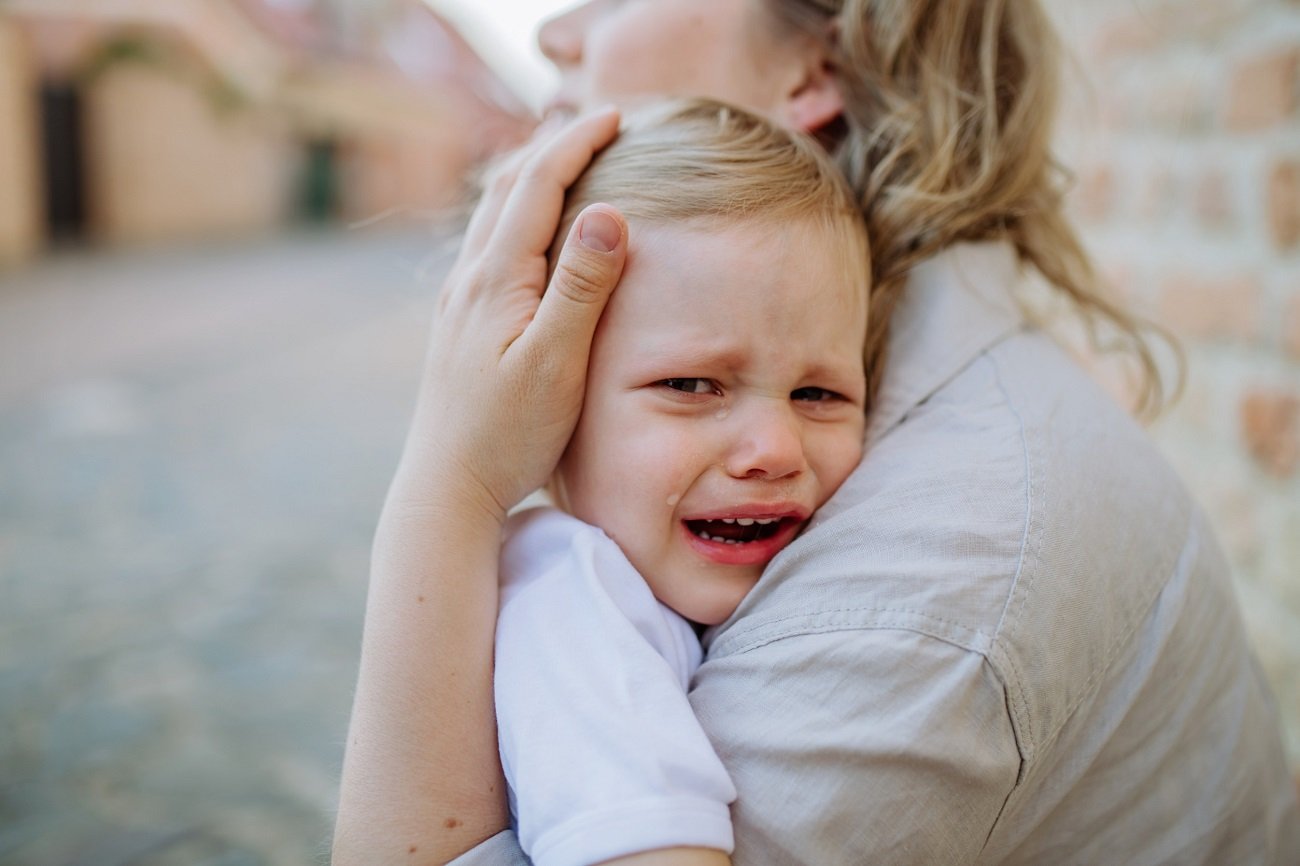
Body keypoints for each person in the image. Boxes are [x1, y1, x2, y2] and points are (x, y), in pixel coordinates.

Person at [333, 1, 1300, 864]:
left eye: (820, 395)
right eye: (687, 383)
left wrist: (450, 483)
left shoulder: (925, 583)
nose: (556, 32)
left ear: (814, 71)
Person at [494, 99, 870, 866]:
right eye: (692, 384)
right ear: (554, 403)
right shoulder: (573, 604)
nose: (773, 449)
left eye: (818, 395)